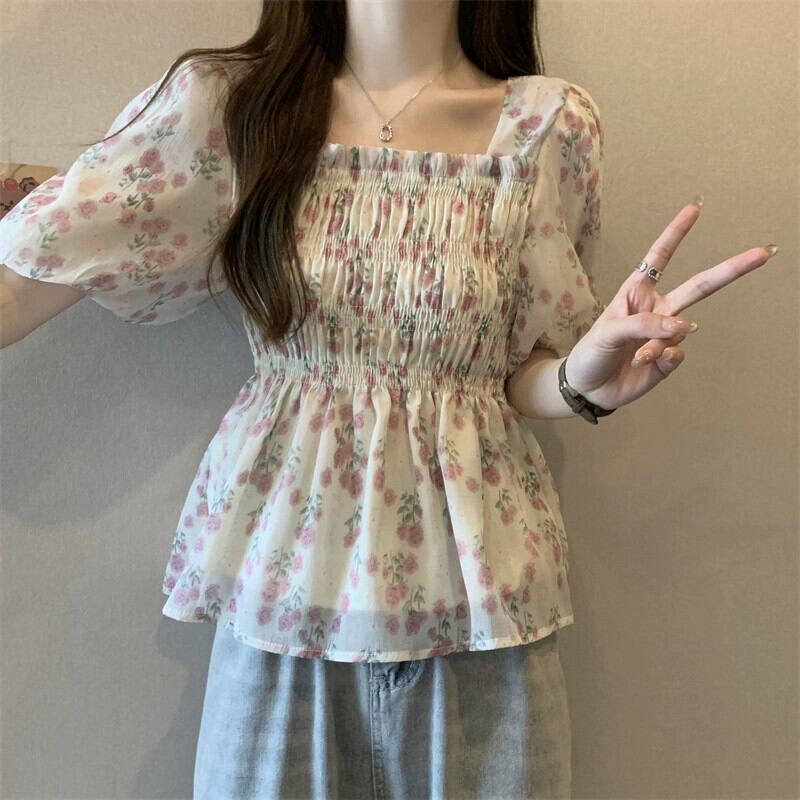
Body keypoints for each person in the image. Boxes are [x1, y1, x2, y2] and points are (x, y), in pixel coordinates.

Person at [0, 1, 777, 797]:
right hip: (287, 598)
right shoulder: (231, 108)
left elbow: (519, 373)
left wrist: (582, 382)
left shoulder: (548, 126)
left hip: (483, 609)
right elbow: (23, 283)